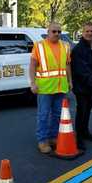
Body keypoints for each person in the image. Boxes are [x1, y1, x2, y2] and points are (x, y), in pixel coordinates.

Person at [29, 22, 72, 154]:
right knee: (43, 115)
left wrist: (70, 81)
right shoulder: (39, 46)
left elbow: (67, 65)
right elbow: (32, 66)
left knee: (58, 115)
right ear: (48, 32)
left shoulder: (66, 46)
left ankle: (53, 138)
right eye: (54, 31)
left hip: (61, 87)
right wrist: (32, 83)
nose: (57, 34)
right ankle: (42, 140)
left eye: (59, 32)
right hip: (45, 88)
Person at [71, 22, 92, 150]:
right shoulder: (78, 50)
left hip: (91, 86)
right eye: (87, 31)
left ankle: (85, 132)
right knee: (82, 111)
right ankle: (79, 138)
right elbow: (83, 71)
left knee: (88, 111)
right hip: (81, 87)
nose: (90, 33)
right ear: (83, 32)